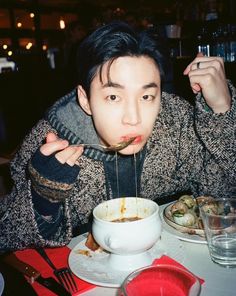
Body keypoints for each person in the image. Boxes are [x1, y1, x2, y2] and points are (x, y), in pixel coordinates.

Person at [0, 21, 235, 253]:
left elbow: (222, 198)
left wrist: (222, 112)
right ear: (85, 99)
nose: (133, 118)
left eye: (147, 97)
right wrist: (42, 200)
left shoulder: (178, 122)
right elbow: (5, 234)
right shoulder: (48, 143)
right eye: (113, 97)